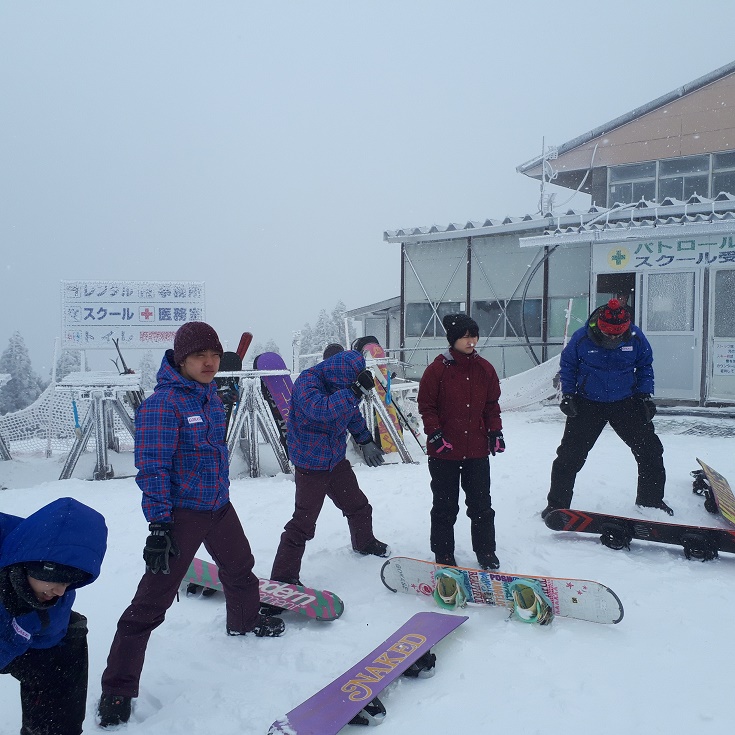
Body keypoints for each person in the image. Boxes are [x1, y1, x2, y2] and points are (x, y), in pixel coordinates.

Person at [98, 321, 284, 728]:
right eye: (201, 356)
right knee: (150, 602)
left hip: (217, 505)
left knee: (240, 567)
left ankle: (245, 621)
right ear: (181, 359)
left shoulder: (209, 397)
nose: (209, 363)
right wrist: (160, 525)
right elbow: (152, 468)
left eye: (215, 356)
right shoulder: (163, 405)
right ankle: (117, 687)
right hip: (180, 516)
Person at [269, 349, 389, 588]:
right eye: (346, 386)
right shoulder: (307, 382)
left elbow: (350, 413)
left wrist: (365, 440)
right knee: (303, 523)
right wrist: (353, 392)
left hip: (335, 460)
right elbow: (320, 410)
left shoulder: (341, 387)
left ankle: (364, 542)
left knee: (358, 506)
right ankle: (283, 577)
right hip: (310, 464)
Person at [542, 298, 671, 518]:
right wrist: (568, 395)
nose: (613, 338)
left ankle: (650, 502)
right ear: (600, 327)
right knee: (569, 456)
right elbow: (568, 366)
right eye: (609, 334)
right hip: (587, 402)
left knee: (650, 451)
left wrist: (645, 396)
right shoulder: (582, 338)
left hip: (626, 401)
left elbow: (644, 366)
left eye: (617, 334)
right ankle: (557, 506)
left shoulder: (635, 337)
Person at [1, 497, 108, 735]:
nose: (61, 591)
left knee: (69, 636)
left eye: (69, 583)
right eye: (58, 580)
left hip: (21, 639)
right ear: (36, 566)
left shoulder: (53, 604)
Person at [417, 313, 504, 571]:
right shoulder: (437, 371)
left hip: (476, 451)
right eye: (465, 336)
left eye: (473, 335)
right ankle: (443, 554)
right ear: (453, 339)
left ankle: (486, 552)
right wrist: (435, 434)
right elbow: (427, 406)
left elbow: (492, 406)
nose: (471, 341)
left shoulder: (484, 369)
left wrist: (495, 432)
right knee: (444, 507)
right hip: (444, 452)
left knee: (481, 506)